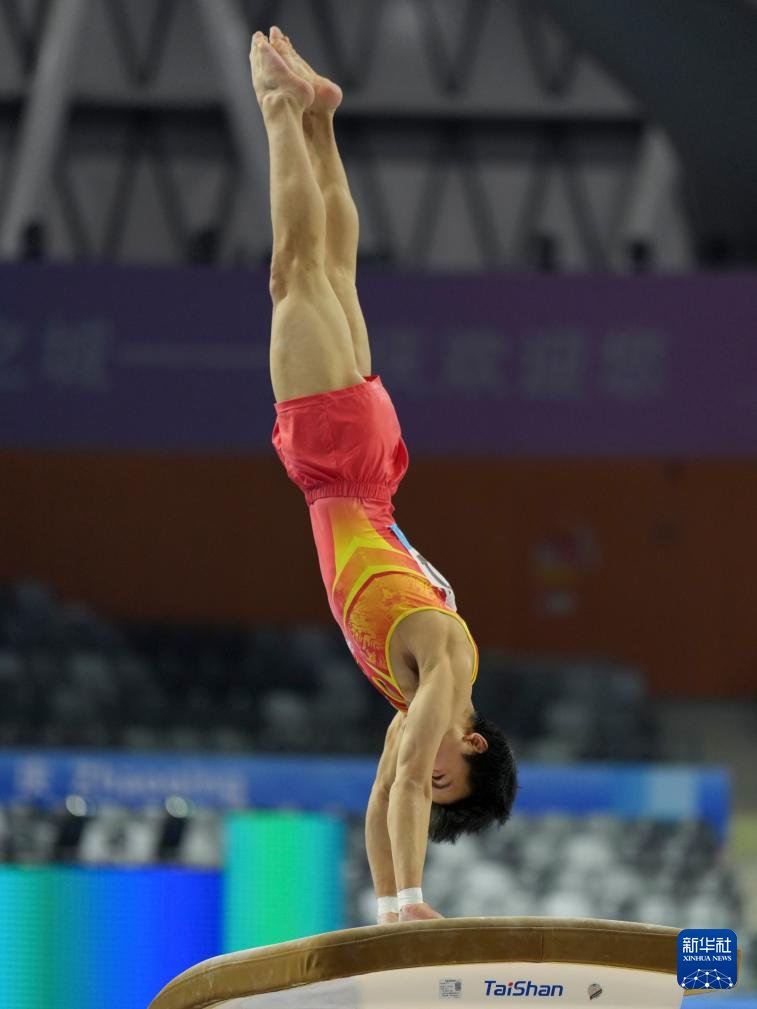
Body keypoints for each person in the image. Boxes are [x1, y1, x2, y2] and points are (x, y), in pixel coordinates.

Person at [250, 28, 518, 923]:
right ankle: (278, 109)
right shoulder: (444, 662)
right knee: (295, 272)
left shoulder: (420, 699)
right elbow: (405, 781)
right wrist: (407, 903)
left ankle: (320, 120)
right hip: (339, 464)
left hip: (365, 466)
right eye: (447, 774)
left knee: (330, 269)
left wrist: (381, 902)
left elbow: (380, 796)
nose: (421, 764)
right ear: (470, 742)